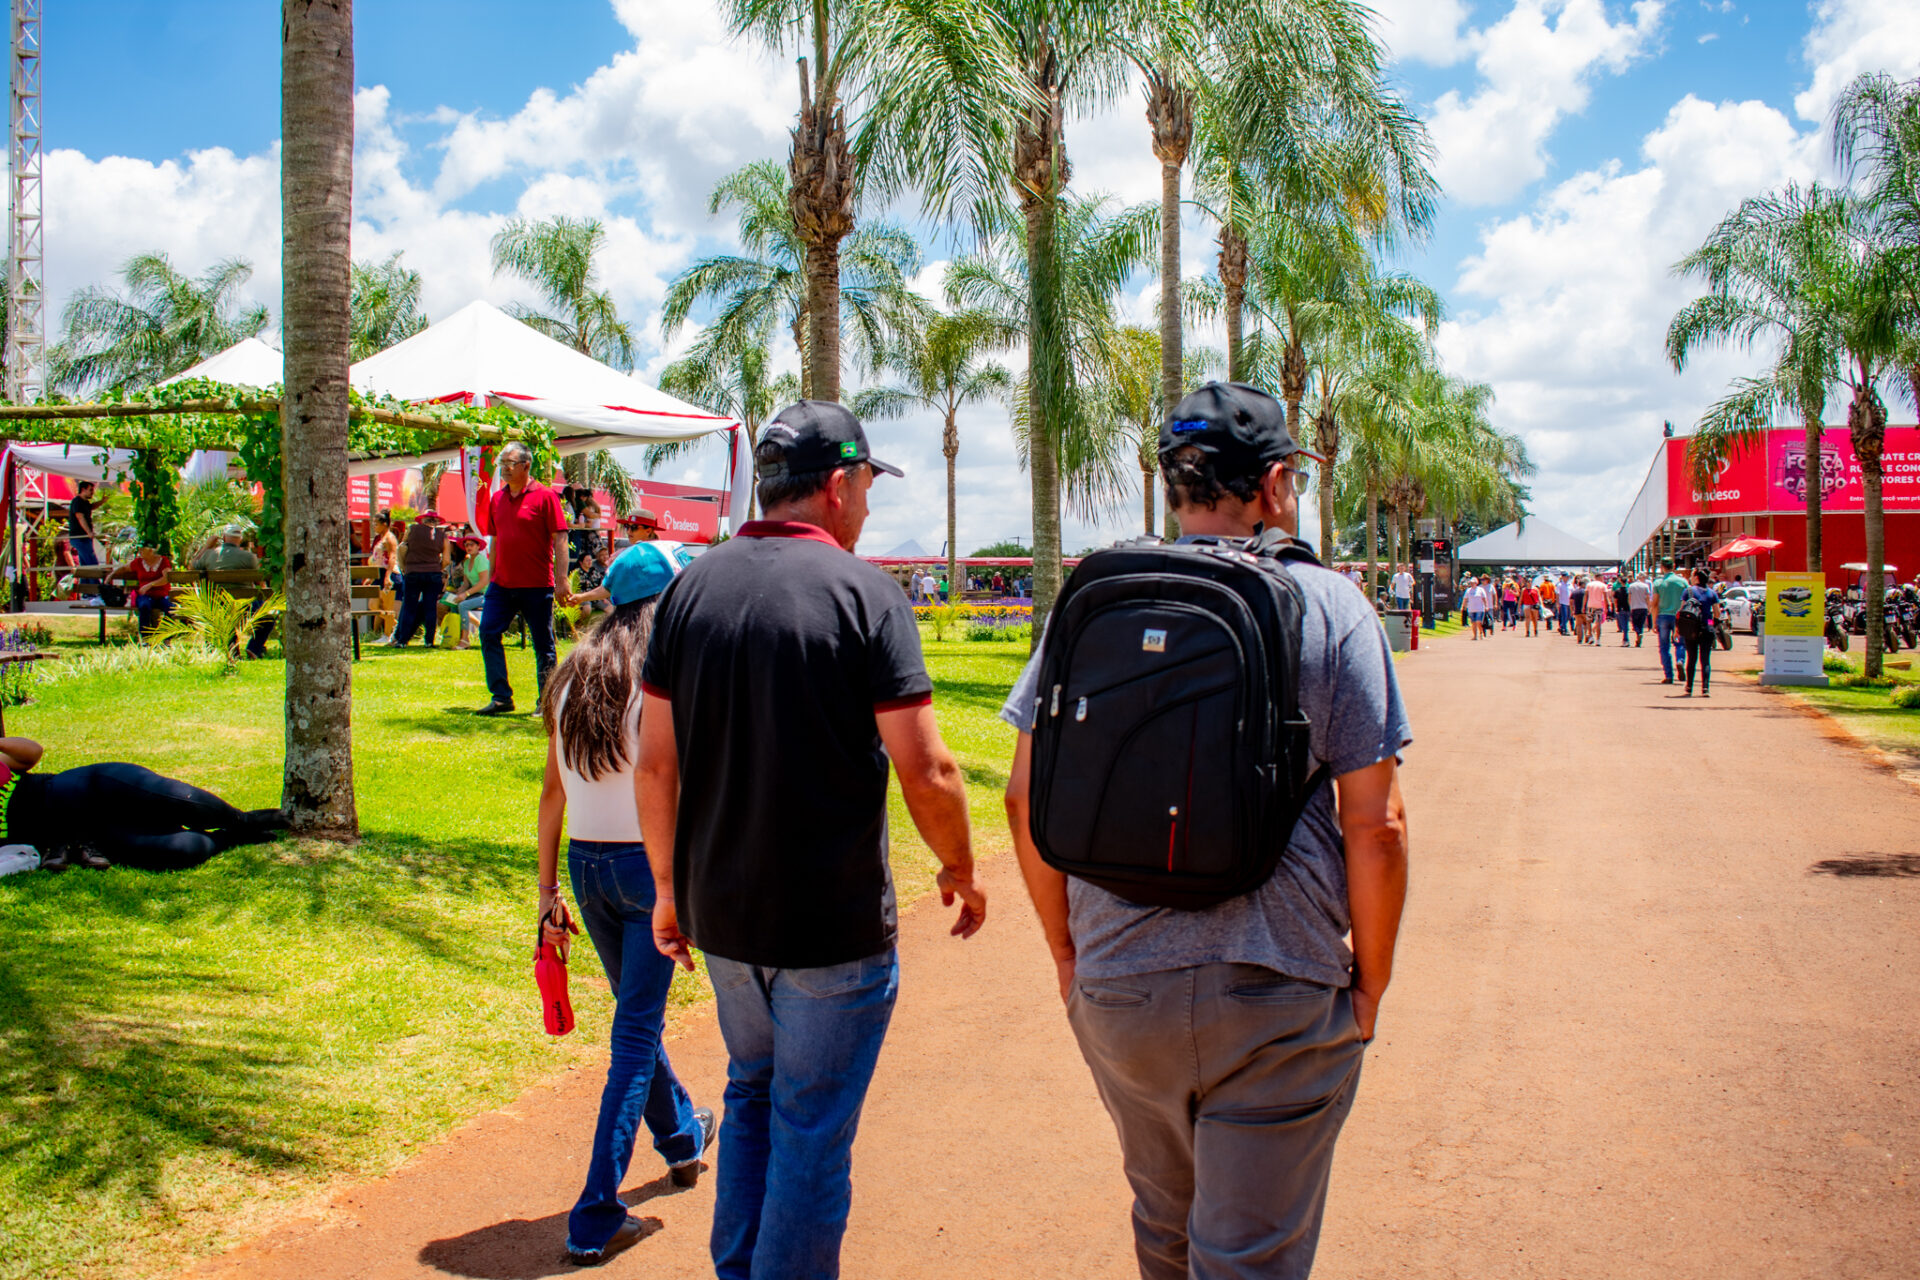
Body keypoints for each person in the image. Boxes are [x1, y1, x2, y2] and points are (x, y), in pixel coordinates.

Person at [1002, 381, 1408, 1280]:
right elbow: (1376, 826)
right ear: (1273, 485)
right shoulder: (1330, 605)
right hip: (1280, 984)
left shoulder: (1099, 599)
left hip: (1118, 988)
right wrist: (1369, 982)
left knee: (1166, 1227)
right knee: (1249, 1258)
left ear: (1176, 489)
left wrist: (1070, 954)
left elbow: (1023, 800)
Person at [636, 400, 984, 1280]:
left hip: (722, 917)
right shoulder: (865, 595)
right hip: (830, 930)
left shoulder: (689, 590)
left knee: (751, 1094)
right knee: (813, 1127)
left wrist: (668, 890)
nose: (867, 505)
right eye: (865, 485)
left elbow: (655, 765)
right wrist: (960, 866)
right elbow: (929, 768)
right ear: (836, 486)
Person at [536, 540, 715, 1267]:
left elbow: (552, 792)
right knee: (635, 1034)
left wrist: (546, 890)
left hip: (585, 866)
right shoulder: (666, 675)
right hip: (648, 868)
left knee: (635, 1016)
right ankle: (595, 1213)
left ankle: (680, 1138)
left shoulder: (572, 672)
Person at [0, 736, 289, 871]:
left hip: (80, 788)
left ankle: (244, 821)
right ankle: (230, 839)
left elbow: (32, 752)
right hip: (91, 833)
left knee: (179, 800)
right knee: (179, 851)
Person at [474, 442, 573, 716]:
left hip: (537, 585)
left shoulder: (545, 496)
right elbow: (494, 541)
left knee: (544, 644)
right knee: (488, 632)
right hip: (502, 585)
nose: (504, 468)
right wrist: (492, 576)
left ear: (526, 465)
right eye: (502, 463)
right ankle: (501, 697)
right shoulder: (497, 499)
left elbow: (560, 538)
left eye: (509, 463)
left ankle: (547, 702)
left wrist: (562, 580)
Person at [193, 525, 272, 658]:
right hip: (244, 608)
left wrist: (207, 546)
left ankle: (232, 650)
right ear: (240, 539)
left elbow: (192, 566)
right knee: (267, 619)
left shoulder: (209, 555)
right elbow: (260, 582)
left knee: (227, 613)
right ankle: (254, 649)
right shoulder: (249, 557)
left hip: (218, 607)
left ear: (224, 538)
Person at [382, 510, 450, 648]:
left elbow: (403, 547)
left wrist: (406, 566)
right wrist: (437, 566)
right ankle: (429, 641)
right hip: (433, 574)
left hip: (413, 572)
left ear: (423, 520)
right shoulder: (443, 536)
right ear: (436, 522)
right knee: (430, 607)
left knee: (409, 606)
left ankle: (402, 640)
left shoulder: (412, 530)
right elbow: (447, 560)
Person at [438, 534, 490, 649]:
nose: (469, 547)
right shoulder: (466, 563)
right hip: (476, 594)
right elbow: (466, 584)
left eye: (471, 544)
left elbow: (484, 582)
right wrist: (457, 593)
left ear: (478, 546)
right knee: (454, 603)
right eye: (466, 545)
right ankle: (454, 637)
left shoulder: (481, 560)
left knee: (463, 605)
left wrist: (465, 594)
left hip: (488, 595)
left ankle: (465, 640)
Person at [1678, 567, 1722, 697]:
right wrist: (1710, 622)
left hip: (1691, 628)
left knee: (1691, 659)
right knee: (1705, 660)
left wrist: (1677, 629)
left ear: (1696, 578)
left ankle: (1689, 687)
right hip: (1706, 628)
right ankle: (1705, 688)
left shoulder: (1688, 591)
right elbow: (1717, 613)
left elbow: (1681, 610)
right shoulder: (1712, 593)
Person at [118, 541, 175, 637]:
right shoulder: (139, 562)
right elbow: (124, 568)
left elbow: (166, 578)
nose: (139, 552)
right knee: (144, 606)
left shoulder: (163, 561)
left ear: (150, 551)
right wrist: (110, 576)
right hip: (145, 595)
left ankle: (166, 636)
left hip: (161, 595)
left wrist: (150, 585)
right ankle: (145, 637)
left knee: (171, 609)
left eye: (141, 550)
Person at [1651, 557, 1689, 684]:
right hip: (1679, 616)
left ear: (1661, 567)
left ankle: (1668, 675)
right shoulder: (1683, 582)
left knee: (1664, 646)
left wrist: (1654, 621)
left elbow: (1655, 604)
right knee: (1680, 643)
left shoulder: (1658, 583)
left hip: (1663, 616)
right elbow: (1688, 600)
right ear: (1674, 566)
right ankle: (1680, 660)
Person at [66, 479, 101, 573]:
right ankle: (95, 584)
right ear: (83, 490)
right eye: (90, 490)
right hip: (79, 537)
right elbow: (80, 517)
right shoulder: (77, 501)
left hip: (85, 537)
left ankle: (85, 583)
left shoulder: (85, 503)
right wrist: (89, 532)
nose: (92, 493)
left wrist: (102, 501)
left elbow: (92, 507)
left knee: (85, 563)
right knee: (91, 562)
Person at [1585, 574, 1609, 646]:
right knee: (1598, 623)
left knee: (1589, 622)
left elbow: (1586, 596)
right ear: (1600, 578)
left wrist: (1584, 605)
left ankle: (1591, 636)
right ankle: (1598, 640)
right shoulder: (1603, 585)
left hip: (1590, 605)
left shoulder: (1589, 585)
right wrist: (1606, 607)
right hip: (1599, 606)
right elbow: (1605, 597)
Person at [1611, 573, 1631, 646]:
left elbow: (1615, 600)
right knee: (1626, 623)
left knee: (1623, 625)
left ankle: (1625, 639)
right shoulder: (1629, 590)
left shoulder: (1617, 590)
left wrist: (1616, 607)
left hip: (1620, 608)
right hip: (1628, 608)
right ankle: (1625, 639)